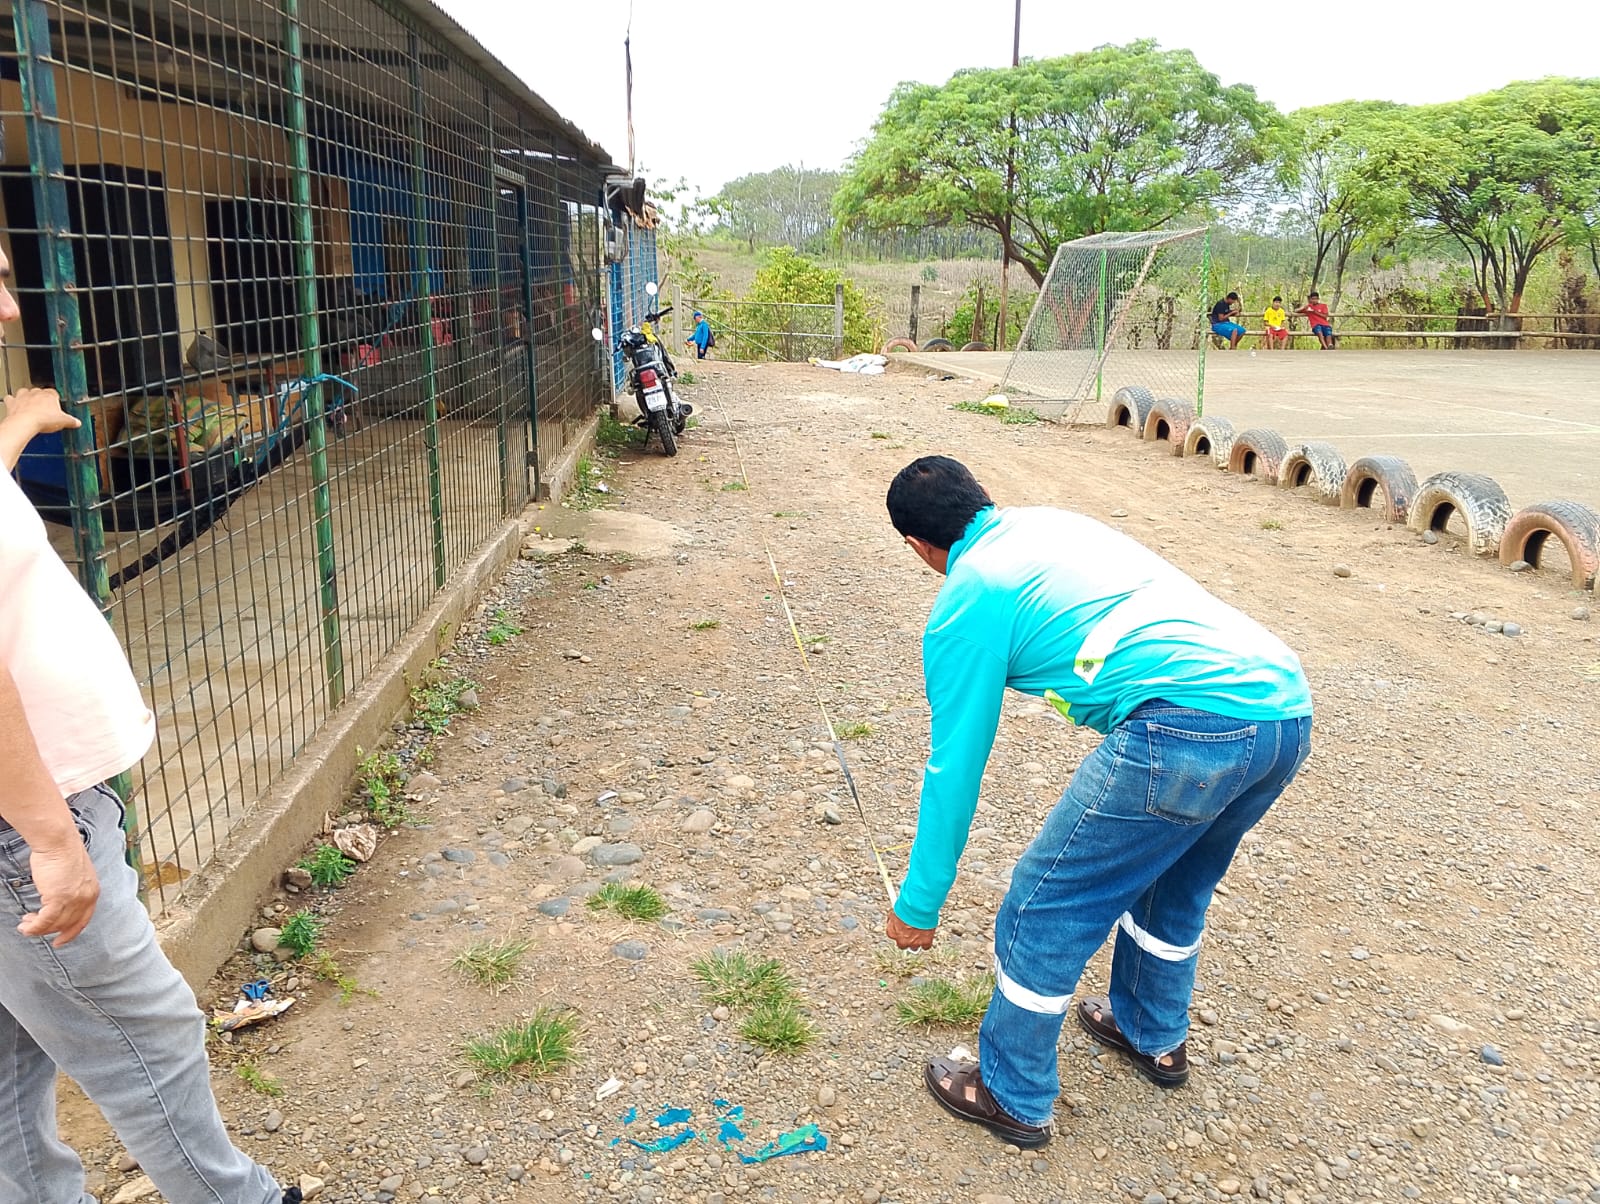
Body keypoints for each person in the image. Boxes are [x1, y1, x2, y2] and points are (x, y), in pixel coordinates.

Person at [883, 456, 1312, 1149]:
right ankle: (1151, 1034)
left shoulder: (968, 597)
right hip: (1285, 710)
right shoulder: (1048, 525)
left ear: (917, 545)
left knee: (1045, 902)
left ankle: (1012, 1094)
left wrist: (919, 901)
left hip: (1188, 725)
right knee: (1175, 879)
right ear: (983, 497)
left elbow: (954, 766)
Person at [0, 243, 301, 1204]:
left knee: (13, 1056)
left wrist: (14, 432)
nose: (11, 310)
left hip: (31, 808)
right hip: (26, 818)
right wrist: (52, 838)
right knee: (148, 1032)